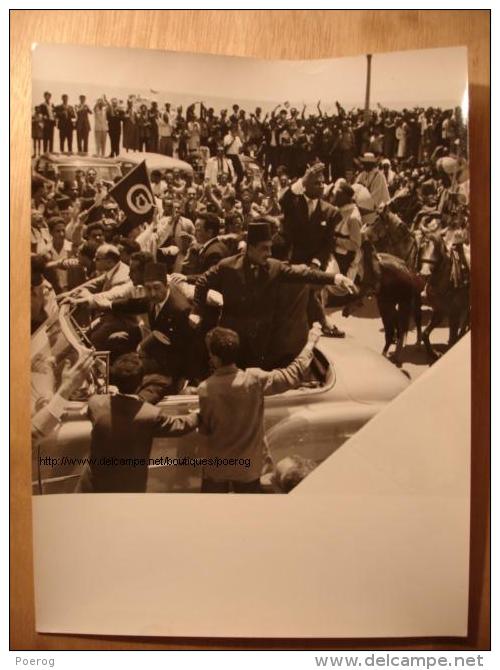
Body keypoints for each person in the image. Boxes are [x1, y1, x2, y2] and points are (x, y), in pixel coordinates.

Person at [191, 221, 355, 368]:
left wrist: (335, 278)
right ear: (250, 248)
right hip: (233, 340)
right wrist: (196, 312)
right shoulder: (228, 266)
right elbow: (202, 282)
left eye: (270, 247)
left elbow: (305, 274)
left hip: (261, 343)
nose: (269, 253)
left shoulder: (274, 267)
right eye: (264, 248)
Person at [197, 322, 322, 493]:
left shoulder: (206, 388)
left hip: (217, 470)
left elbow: (205, 430)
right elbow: (292, 374)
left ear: (216, 358)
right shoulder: (254, 379)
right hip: (249, 469)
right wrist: (311, 342)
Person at [76, 353, 199, 493]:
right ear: (140, 383)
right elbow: (181, 425)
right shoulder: (150, 414)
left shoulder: (96, 403)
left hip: (94, 487)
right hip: (128, 488)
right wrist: (200, 415)